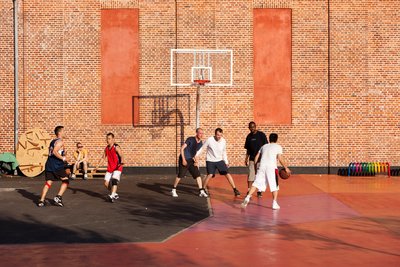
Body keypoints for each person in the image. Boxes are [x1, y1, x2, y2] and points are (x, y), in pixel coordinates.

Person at [241, 133, 291, 210]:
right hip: (271, 168)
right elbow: (280, 158)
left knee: (256, 183)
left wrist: (255, 166)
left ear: (269, 139)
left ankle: (247, 197)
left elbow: (256, 157)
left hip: (262, 166)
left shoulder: (264, 146)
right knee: (275, 185)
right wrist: (286, 168)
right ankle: (274, 203)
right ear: (276, 139)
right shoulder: (278, 147)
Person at [195, 128, 240, 196]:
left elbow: (224, 152)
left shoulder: (223, 141)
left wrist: (226, 161)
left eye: (220, 135)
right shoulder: (209, 140)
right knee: (210, 175)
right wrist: (196, 156)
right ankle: (202, 189)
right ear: (215, 134)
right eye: (217, 135)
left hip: (219, 160)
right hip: (210, 160)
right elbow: (202, 148)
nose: (219, 137)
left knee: (227, 174)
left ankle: (235, 189)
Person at [37, 126, 70, 207]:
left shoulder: (53, 141)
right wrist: (63, 158)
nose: (65, 132)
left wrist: (63, 153)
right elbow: (55, 152)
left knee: (48, 182)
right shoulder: (60, 142)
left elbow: (54, 152)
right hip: (57, 166)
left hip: (49, 165)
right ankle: (58, 197)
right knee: (66, 180)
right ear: (60, 133)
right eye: (64, 131)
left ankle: (41, 201)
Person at [171, 128, 208, 198]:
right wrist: (183, 160)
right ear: (196, 133)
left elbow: (196, 154)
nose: (201, 135)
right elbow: (182, 149)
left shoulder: (200, 143)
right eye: (200, 133)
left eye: (202, 133)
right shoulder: (190, 139)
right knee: (180, 175)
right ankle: (173, 189)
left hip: (191, 160)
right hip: (184, 158)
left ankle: (201, 191)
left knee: (197, 174)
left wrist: (196, 161)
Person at [96, 133, 124, 202]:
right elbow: (103, 158)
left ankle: (112, 196)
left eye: (109, 139)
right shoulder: (106, 148)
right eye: (107, 138)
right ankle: (114, 194)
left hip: (118, 167)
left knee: (114, 180)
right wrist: (98, 165)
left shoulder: (116, 147)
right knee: (106, 183)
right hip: (110, 168)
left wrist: (122, 162)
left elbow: (121, 155)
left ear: (113, 139)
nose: (107, 140)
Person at [244, 121, 268, 197]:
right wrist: (246, 158)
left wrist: (265, 157)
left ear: (255, 126)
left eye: (253, 127)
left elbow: (266, 147)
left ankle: (259, 191)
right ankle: (249, 190)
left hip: (260, 159)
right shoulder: (248, 137)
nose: (252, 128)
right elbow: (247, 149)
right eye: (250, 127)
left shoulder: (261, 135)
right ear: (249, 128)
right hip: (252, 159)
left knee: (259, 175)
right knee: (251, 175)